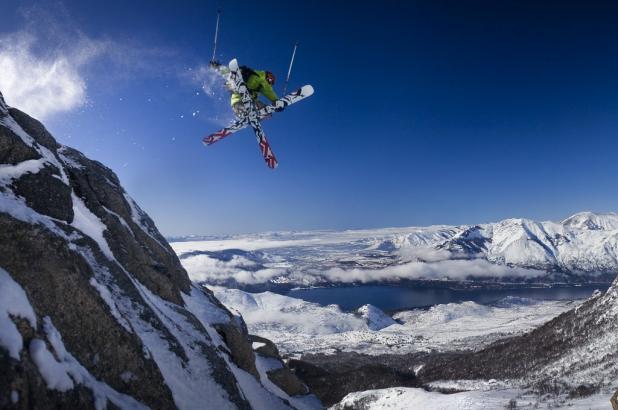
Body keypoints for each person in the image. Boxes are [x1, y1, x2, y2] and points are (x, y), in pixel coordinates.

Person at [210, 61, 280, 117]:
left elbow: (269, 92)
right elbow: (228, 72)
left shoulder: (262, 87)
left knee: (258, 103)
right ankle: (246, 113)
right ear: (267, 74)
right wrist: (218, 67)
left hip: (248, 102)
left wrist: (277, 103)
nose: (271, 81)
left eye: (272, 81)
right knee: (232, 81)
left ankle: (255, 115)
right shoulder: (260, 77)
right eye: (271, 78)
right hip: (238, 101)